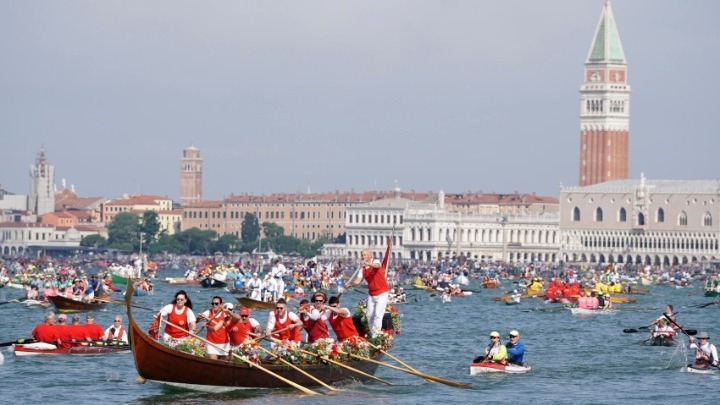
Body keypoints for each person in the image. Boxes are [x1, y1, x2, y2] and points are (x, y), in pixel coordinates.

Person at [346, 245, 390, 337]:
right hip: (372, 293)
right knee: (369, 315)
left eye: (365, 255)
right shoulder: (362, 269)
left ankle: (376, 334)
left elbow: (377, 266)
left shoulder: (375, 261)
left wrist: (368, 264)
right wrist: (350, 284)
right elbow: (357, 281)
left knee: (378, 314)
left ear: (369, 256)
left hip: (382, 292)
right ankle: (372, 333)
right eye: (362, 255)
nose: (363, 257)